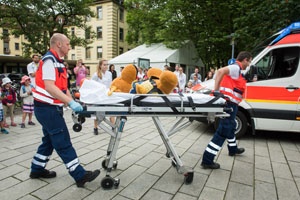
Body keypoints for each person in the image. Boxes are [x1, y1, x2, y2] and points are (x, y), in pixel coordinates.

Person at [30, 33, 100, 187]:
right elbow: (49, 86)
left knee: (49, 141)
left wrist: (72, 103)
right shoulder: (49, 60)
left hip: (50, 108)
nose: (70, 46)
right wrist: (70, 102)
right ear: (59, 44)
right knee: (62, 141)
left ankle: (37, 169)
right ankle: (79, 175)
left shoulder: (59, 63)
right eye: (68, 44)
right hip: (46, 108)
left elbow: (63, 88)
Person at [201, 51, 252, 169]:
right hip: (228, 104)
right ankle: (207, 160)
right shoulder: (235, 67)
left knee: (231, 126)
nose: (249, 64)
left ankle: (233, 149)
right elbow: (220, 71)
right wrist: (216, 91)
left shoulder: (238, 70)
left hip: (231, 104)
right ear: (245, 60)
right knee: (223, 130)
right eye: (249, 61)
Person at [91, 59, 114, 135]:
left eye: (107, 64)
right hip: (99, 96)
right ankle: (95, 128)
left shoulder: (109, 73)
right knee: (97, 111)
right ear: (100, 65)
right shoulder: (96, 74)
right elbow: (92, 85)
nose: (106, 66)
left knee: (111, 110)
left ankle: (113, 127)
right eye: (104, 65)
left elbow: (110, 84)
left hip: (107, 94)